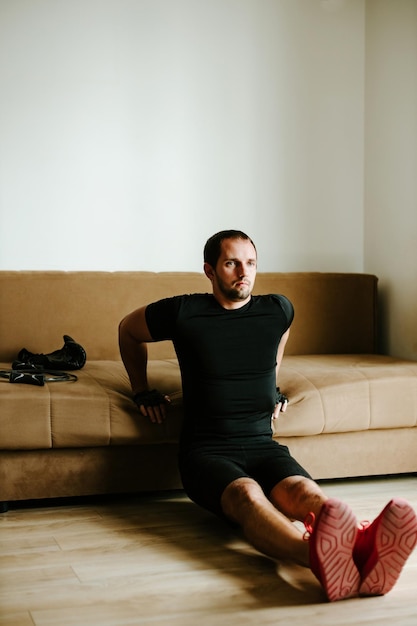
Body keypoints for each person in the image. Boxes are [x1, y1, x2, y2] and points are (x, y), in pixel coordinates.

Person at [119, 229, 417, 602]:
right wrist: (140, 389)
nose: (243, 272)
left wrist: (270, 387)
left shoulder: (277, 309)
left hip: (262, 443)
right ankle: (323, 557)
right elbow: (128, 330)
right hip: (207, 453)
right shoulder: (183, 312)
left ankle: (361, 544)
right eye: (231, 263)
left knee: (303, 491)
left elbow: (277, 343)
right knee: (248, 495)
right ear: (210, 271)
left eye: (251, 263)